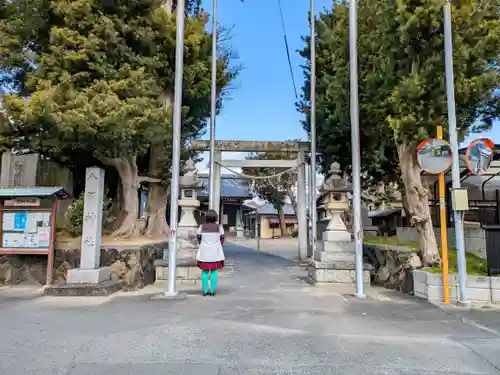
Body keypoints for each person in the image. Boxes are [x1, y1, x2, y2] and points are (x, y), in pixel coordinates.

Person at [196, 209, 225, 296]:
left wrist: (203, 245)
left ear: (206, 217)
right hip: (215, 252)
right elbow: (222, 239)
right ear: (216, 218)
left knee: (204, 271)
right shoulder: (219, 227)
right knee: (214, 271)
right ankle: (212, 290)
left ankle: (205, 291)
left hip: (204, 252)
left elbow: (198, 238)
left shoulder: (201, 227)